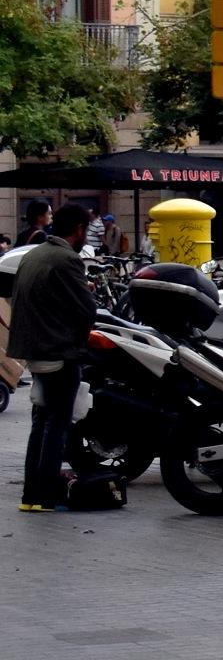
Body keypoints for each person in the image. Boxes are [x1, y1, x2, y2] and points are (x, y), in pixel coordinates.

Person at [12, 204, 94, 510]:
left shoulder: (33, 254)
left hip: (34, 351)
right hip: (59, 350)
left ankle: (30, 496)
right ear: (79, 230)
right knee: (57, 426)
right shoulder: (67, 259)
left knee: (41, 422)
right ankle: (46, 495)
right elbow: (86, 310)